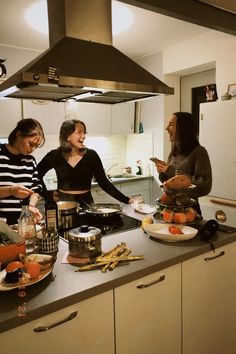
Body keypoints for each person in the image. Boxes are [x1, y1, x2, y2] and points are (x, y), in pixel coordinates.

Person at [38, 119, 133, 208]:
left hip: (86, 203)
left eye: (84, 132)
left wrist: (126, 200)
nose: (83, 136)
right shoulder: (55, 155)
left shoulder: (91, 155)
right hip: (63, 205)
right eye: (79, 132)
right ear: (67, 136)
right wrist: (47, 195)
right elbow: (36, 175)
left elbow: (104, 183)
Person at [153, 112, 212, 215]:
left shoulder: (199, 152)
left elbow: (204, 186)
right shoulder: (174, 151)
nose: (167, 128)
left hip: (189, 211)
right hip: (169, 209)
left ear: (183, 128)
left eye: (171, 124)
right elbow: (168, 182)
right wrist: (162, 172)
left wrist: (171, 171)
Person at [0, 118, 45, 224]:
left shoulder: (30, 161)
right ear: (19, 134)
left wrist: (31, 206)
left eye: (36, 146)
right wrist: (11, 190)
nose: (33, 149)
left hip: (22, 224)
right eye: (31, 144)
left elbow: (36, 190)